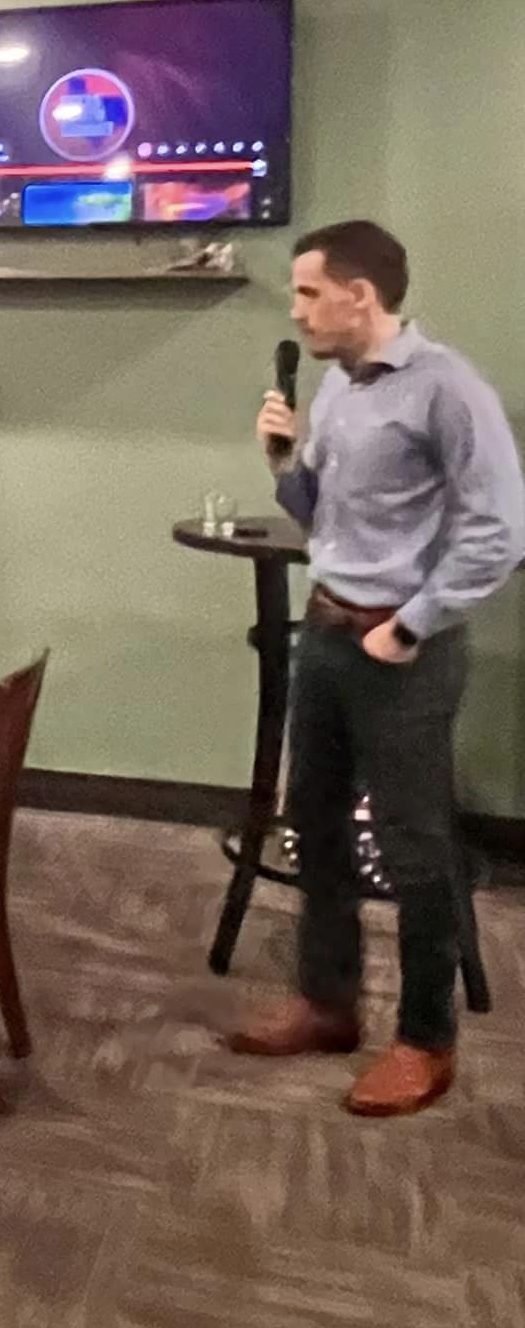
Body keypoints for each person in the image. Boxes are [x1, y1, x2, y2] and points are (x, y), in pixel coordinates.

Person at [232, 220, 525, 1116]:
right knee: (314, 824)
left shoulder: (448, 390)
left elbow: (501, 532)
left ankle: (426, 1041)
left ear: (360, 296)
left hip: (404, 651)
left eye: (309, 292)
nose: (297, 310)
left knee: (414, 847)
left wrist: (411, 625)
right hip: (327, 634)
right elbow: (322, 517)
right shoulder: (337, 388)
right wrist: (283, 460)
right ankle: (329, 1004)